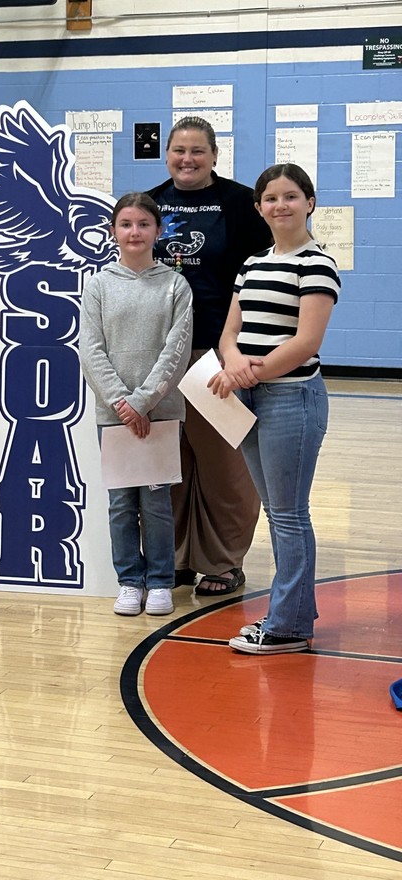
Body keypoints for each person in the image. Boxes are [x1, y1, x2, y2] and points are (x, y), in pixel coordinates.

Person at [208, 164, 340, 653]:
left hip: (292, 399)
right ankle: (295, 618)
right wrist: (236, 362)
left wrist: (250, 371)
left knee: (288, 514)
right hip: (248, 397)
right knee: (277, 510)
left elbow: (306, 342)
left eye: (291, 196)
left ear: (309, 202)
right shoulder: (253, 263)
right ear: (259, 207)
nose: (280, 205)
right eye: (270, 198)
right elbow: (229, 333)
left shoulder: (317, 265)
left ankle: (286, 626)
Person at [149, 116, 272, 596]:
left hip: (219, 352)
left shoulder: (242, 204)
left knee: (225, 464)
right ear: (167, 156)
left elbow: (260, 280)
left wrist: (244, 350)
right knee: (171, 463)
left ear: (215, 155)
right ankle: (177, 556)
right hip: (162, 354)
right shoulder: (152, 204)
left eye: (198, 150)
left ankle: (223, 561)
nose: (187, 159)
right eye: (179, 150)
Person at [80, 193, 193, 616]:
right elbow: (90, 349)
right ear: (113, 231)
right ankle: (130, 580)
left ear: (158, 231)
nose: (135, 232)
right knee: (121, 503)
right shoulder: (99, 285)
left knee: (157, 501)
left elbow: (176, 350)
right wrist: (122, 403)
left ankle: (161, 580)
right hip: (114, 417)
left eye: (144, 224)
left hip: (160, 414)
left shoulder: (174, 286)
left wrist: (144, 401)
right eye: (126, 223)